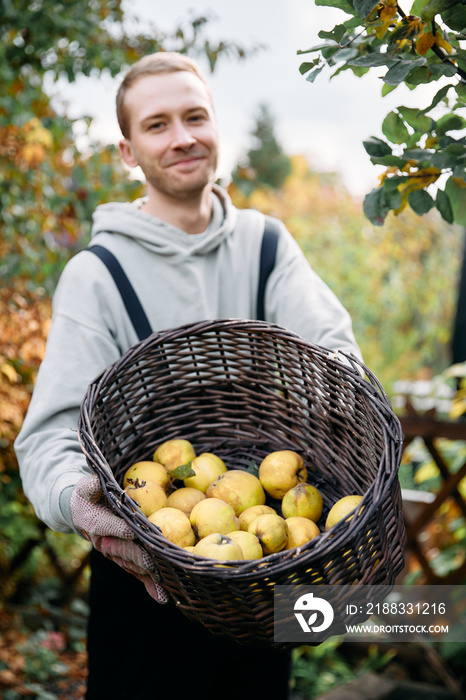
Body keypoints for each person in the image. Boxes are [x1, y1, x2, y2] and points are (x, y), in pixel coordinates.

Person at [15, 52, 362, 699]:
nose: (182, 137)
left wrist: (341, 417)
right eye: (157, 124)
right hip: (149, 581)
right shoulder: (99, 274)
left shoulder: (266, 245)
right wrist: (82, 507)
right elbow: (48, 439)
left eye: (195, 116)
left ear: (216, 128)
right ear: (127, 151)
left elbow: (334, 358)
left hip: (263, 576)